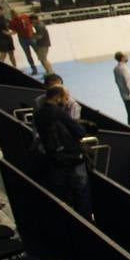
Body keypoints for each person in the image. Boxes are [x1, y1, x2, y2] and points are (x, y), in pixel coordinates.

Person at [32, 85, 93, 217]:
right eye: (65, 98)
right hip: (73, 160)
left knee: (63, 196)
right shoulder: (59, 113)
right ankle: (86, 222)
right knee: (82, 194)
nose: (67, 101)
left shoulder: (38, 114)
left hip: (54, 161)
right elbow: (79, 131)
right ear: (57, 97)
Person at [112, 51, 130, 129]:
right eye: (126, 55)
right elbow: (129, 83)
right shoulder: (124, 69)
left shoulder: (115, 69)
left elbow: (117, 82)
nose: (127, 56)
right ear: (122, 58)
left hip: (124, 96)